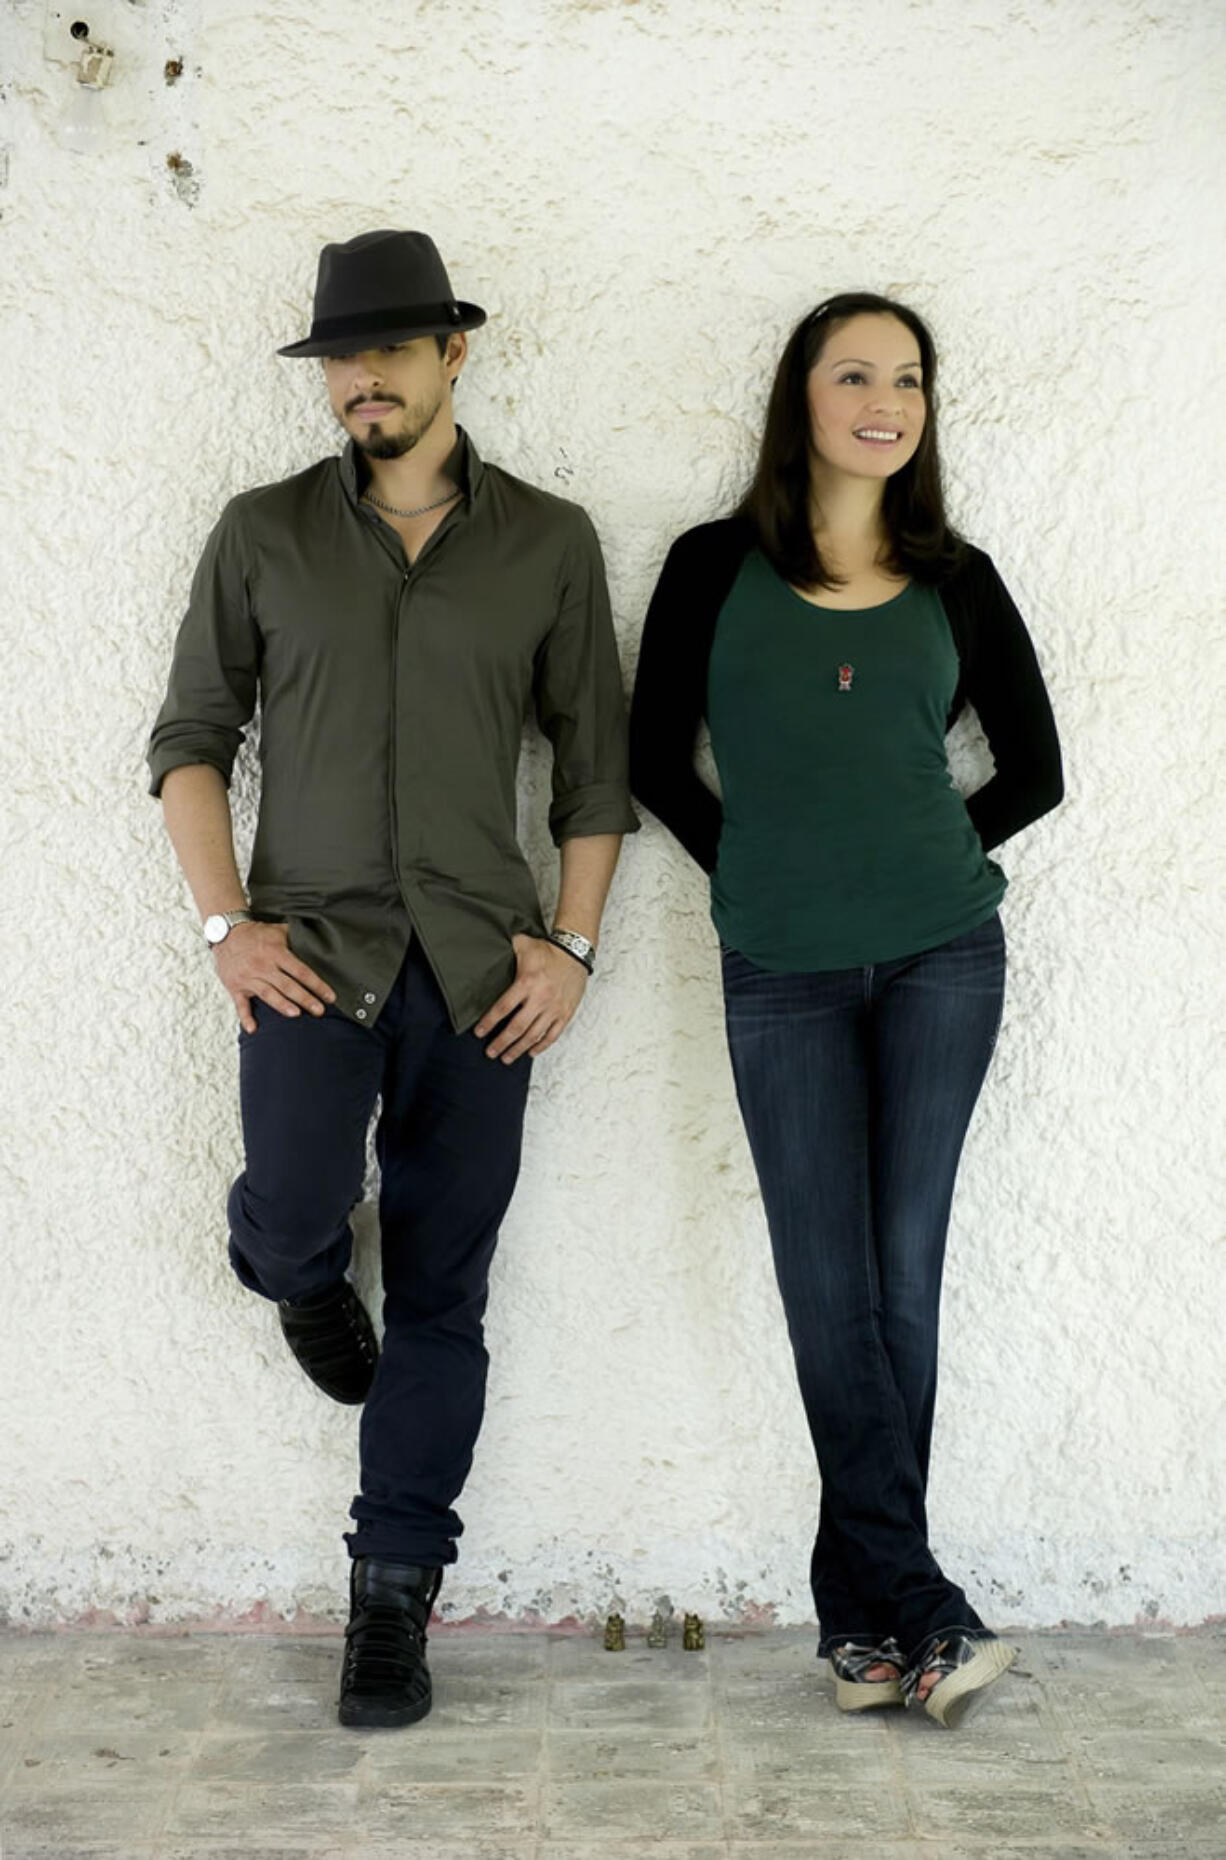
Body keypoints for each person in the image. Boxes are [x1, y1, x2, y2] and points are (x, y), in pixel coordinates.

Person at [148, 229, 637, 1729]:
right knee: (296, 1198)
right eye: (339, 360)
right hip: (312, 956)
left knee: (442, 1287)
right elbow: (189, 742)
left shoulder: (547, 542)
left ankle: (392, 1601)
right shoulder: (261, 531)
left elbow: (596, 775)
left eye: (388, 354)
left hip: (484, 972)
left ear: (452, 357)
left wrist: (570, 949)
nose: (360, 380)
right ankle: (287, 1267)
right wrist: (225, 926)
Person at [629, 292, 1062, 1729]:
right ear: (799, 398)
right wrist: (749, 875)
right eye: (854, 373)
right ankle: (913, 1610)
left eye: (910, 380)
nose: (886, 399)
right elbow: (651, 762)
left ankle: (866, 1626)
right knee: (829, 1291)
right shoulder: (711, 567)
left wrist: (933, 857)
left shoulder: (958, 577)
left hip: (943, 958)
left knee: (899, 1280)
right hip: (780, 967)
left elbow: (1033, 772)